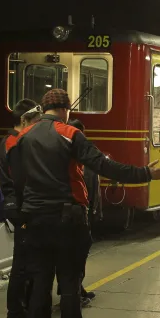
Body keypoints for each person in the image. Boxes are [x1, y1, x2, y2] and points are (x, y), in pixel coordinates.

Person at [8, 89, 160, 318]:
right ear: (65, 109)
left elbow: (19, 181)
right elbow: (104, 166)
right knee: (70, 286)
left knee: (39, 285)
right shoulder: (70, 134)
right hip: (68, 220)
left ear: (43, 109)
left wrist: (25, 215)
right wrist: (145, 173)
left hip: (35, 221)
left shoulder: (23, 137)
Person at [0, 99, 39, 318]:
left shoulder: (12, 142)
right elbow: (22, 179)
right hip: (21, 209)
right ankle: (16, 313)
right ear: (24, 121)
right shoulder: (14, 144)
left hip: (20, 206)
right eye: (35, 122)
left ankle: (25, 308)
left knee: (27, 260)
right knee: (22, 262)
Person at [66, 118, 97, 305]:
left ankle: (78, 290)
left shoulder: (81, 159)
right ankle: (74, 295)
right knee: (75, 256)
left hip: (80, 210)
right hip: (74, 212)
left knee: (76, 256)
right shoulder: (70, 160)